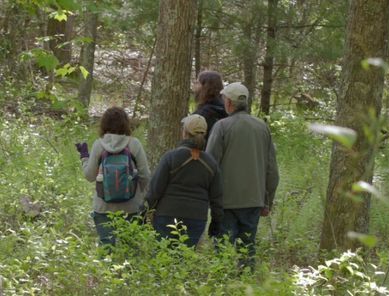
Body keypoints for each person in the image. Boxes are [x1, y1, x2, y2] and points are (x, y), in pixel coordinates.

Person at [206, 82, 279, 268]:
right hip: (254, 201)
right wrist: (267, 201)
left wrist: (207, 199)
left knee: (221, 250)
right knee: (247, 251)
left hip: (225, 202)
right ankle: (246, 286)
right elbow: (272, 170)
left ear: (229, 103)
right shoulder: (262, 127)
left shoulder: (221, 127)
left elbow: (210, 164)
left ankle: (221, 285)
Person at [75, 107, 151, 249]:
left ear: (104, 125)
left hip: (103, 207)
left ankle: (106, 271)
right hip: (132, 207)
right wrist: (141, 197)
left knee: (106, 247)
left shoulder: (99, 145)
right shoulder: (134, 144)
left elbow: (90, 176)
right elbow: (145, 175)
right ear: (126, 124)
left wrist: (84, 157)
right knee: (131, 249)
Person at [146, 114, 223, 247]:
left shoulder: (170, 157)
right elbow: (217, 199)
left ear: (185, 133)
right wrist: (216, 224)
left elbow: (155, 190)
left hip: (167, 215)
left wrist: (143, 212)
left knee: (164, 258)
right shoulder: (211, 164)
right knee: (185, 259)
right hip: (196, 218)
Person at [192, 70, 228, 141]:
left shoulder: (201, 115)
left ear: (205, 87)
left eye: (197, 83)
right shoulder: (227, 111)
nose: (194, 86)